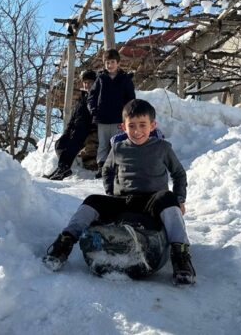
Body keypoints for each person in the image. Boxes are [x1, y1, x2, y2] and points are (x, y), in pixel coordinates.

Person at [42, 99, 196, 286]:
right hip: (124, 200)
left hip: (153, 202)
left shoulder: (162, 148)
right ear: (123, 127)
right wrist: (111, 192)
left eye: (143, 125)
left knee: (168, 198)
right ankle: (65, 241)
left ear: (152, 125)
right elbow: (107, 170)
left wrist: (179, 199)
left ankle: (180, 254)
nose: (137, 131)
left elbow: (179, 174)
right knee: (92, 200)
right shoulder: (118, 148)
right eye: (132, 126)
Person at [87, 48, 136, 179]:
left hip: (118, 119)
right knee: (102, 144)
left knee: (117, 144)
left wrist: (128, 114)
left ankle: (116, 167)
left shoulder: (125, 79)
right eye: (107, 63)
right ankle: (102, 168)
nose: (110, 65)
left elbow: (131, 98)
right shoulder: (101, 79)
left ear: (118, 63)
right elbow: (92, 96)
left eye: (112, 62)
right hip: (102, 118)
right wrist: (93, 109)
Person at [44, 70, 97, 181]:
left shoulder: (97, 96)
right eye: (85, 82)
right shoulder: (82, 97)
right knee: (60, 144)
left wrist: (93, 125)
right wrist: (68, 128)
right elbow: (74, 115)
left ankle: (63, 169)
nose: (87, 85)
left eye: (90, 83)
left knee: (72, 146)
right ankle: (63, 168)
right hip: (74, 127)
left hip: (85, 128)